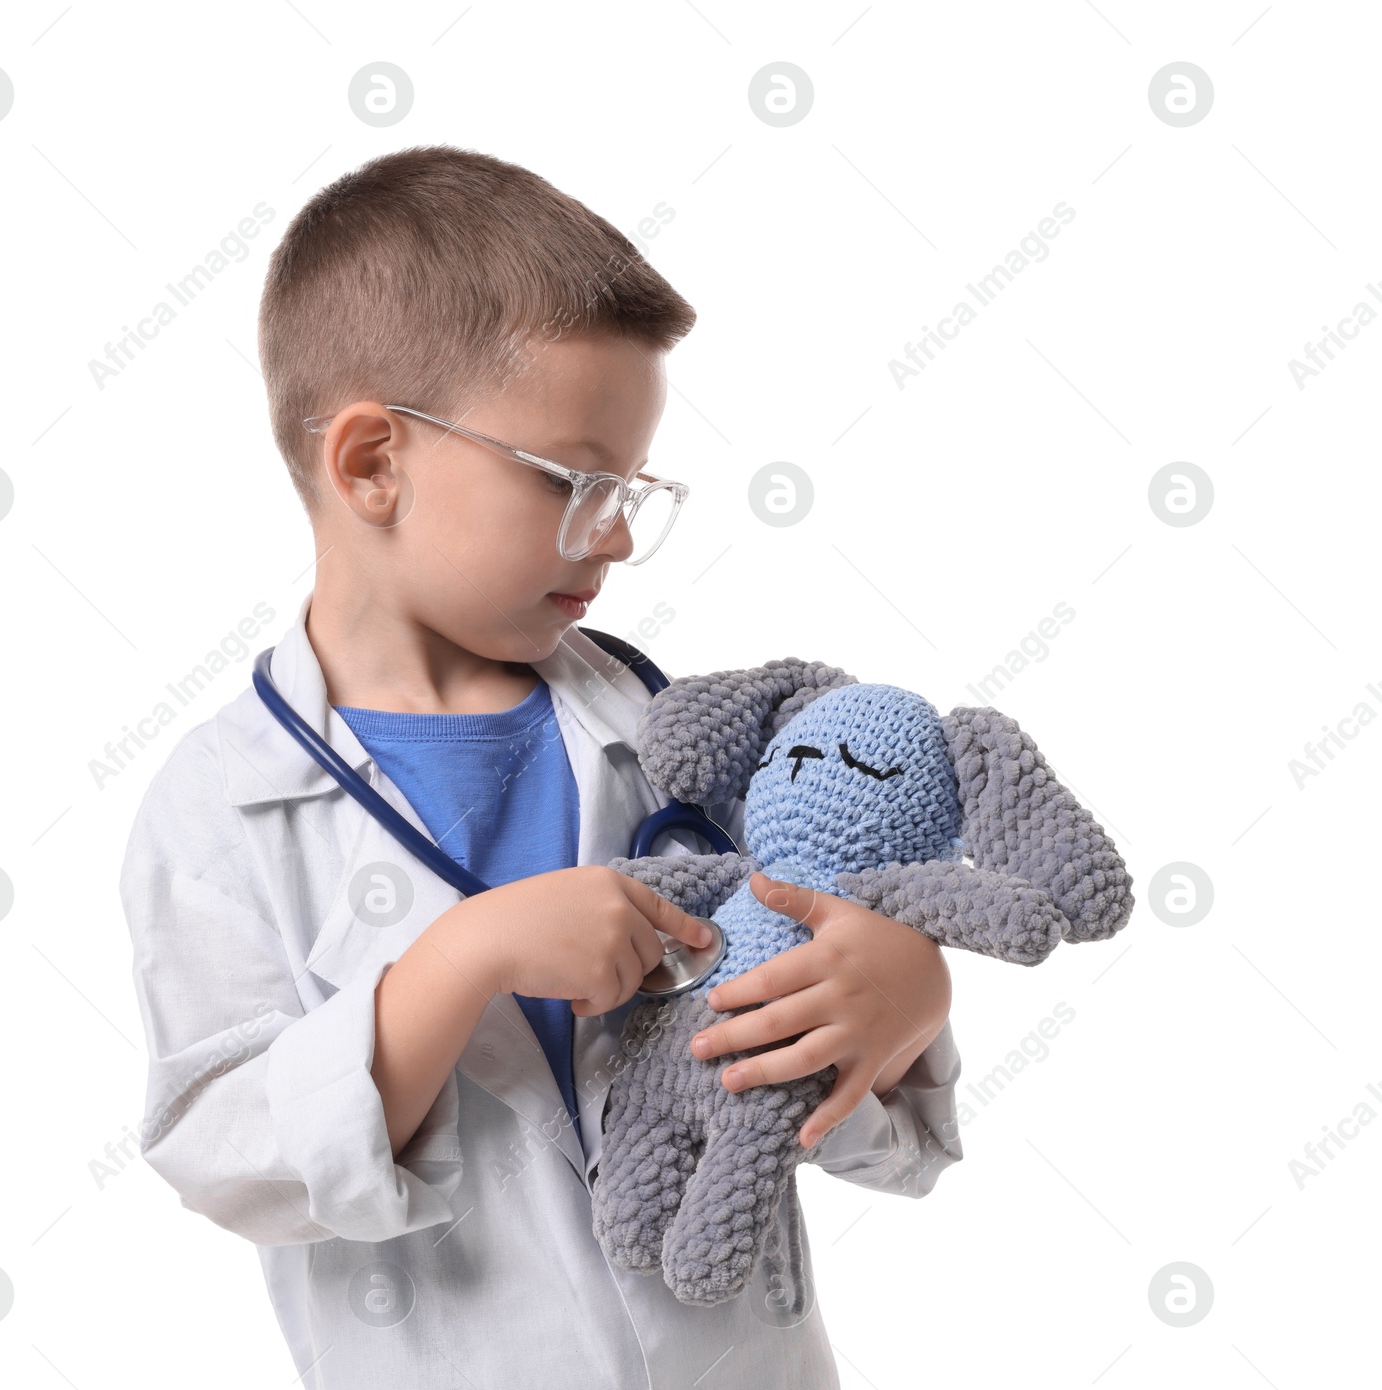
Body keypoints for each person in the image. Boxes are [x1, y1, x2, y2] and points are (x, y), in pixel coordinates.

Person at [119, 144, 962, 1389]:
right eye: (575, 481)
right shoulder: (222, 808)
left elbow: (819, 1052)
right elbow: (229, 1152)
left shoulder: (666, 732)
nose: (617, 534)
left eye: (631, 486)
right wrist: (468, 958)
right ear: (371, 464)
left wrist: (901, 998)